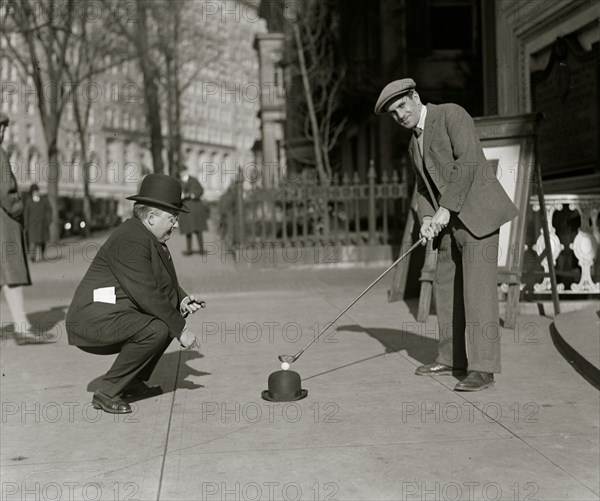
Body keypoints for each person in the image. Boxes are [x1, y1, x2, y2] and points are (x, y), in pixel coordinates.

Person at [375, 79, 519, 391]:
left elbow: (468, 164)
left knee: (478, 295)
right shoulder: (414, 142)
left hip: (478, 217)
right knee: (447, 289)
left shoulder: (452, 115)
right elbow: (422, 187)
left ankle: (483, 369)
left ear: (415, 97)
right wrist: (427, 217)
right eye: (392, 113)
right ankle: (452, 358)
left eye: (401, 106)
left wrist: (445, 209)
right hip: (447, 226)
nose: (399, 115)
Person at [66, 174, 205, 414]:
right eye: (172, 218)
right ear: (151, 217)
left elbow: (162, 283)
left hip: (112, 312)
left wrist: (181, 300)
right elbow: (147, 293)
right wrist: (181, 330)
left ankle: (133, 382)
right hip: (91, 319)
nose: (176, 225)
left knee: (168, 317)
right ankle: (107, 391)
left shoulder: (146, 236)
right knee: (158, 327)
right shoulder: (130, 240)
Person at [0, 112, 33, 336]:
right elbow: (6, 190)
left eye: (3, 127)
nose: (2, 132)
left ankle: (23, 326)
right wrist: (18, 208)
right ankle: (23, 328)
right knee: (12, 273)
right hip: (4, 224)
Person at [178, 166, 208, 255]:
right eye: (181, 172)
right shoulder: (179, 182)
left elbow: (201, 190)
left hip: (195, 208)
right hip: (185, 209)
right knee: (187, 231)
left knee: (198, 230)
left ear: (187, 171)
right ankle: (189, 250)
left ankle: (201, 250)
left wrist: (193, 195)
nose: (183, 174)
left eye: (184, 171)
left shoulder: (194, 180)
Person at [24, 183, 50, 262]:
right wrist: (26, 224)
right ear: (31, 192)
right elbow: (26, 213)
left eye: (37, 191)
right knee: (32, 241)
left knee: (43, 241)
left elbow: (48, 210)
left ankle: (42, 255)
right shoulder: (29, 201)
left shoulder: (44, 200)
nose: (36, 192)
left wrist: (48, 220)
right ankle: (32, 256)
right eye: (34, 191)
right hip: (32, 225)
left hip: (43, 224)